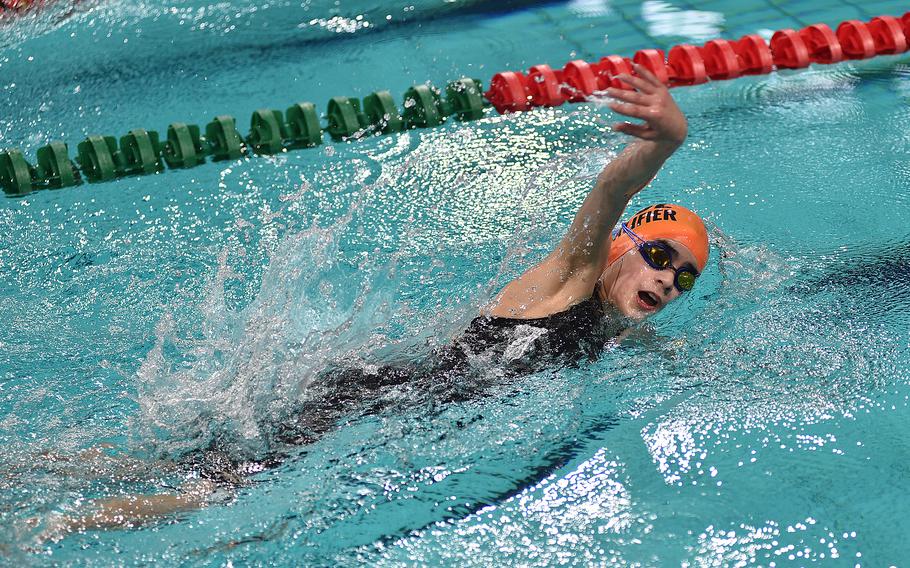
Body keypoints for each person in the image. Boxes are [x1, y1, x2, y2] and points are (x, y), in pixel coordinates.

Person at [34, 64, 709, 537]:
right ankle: (49, 529)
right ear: (621, 248)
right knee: (217, 494)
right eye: (658, 257)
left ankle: (32, 469)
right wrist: (667, 142)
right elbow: (610, 194)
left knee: (186, 467)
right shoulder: (569, 276)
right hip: (370, 405)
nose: (665, 281)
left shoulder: (608, 323)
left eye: (683, 279)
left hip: (381, 406)